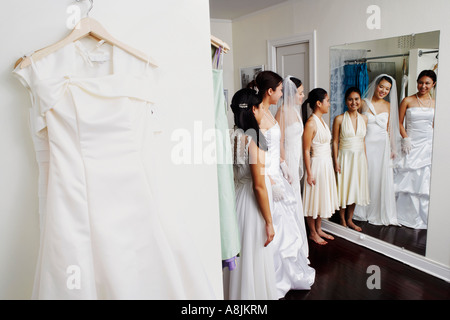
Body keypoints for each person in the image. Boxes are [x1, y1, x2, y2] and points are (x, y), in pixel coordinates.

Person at [248, 71, 315, 298]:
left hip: (277, 171)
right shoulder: (256, 115)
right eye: (278, 90)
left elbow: (276, 146)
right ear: (270, 92)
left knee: (288, 225)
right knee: (273, 226)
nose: (281, 94)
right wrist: (270, 177)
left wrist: (284, 165)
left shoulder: (270, 113)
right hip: (266, 177)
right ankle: (272, 277)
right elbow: (255, 152)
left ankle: (286, 273)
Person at [226, 88, 277, 300]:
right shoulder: (252, 140)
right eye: (260, 108)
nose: (262, 112)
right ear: (253, 109)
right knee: (254, 257)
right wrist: (269, 221)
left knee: (242, 258)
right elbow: (258, 185)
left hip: (237, 201)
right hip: (252, 204)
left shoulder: (231, 135)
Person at [354, 74, 400, 226]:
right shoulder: (363, 103)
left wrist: (393, 148)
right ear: (375, 85)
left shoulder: (388, 106)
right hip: (366, 144)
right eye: (381, 87)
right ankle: (362, 210)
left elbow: (391, 129)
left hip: (382, 146)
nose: (383, 91)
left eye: (387, 89)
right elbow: (356, 125)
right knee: (367, 175)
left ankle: (378, 211)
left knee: (380, 177)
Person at [394, 70, 437, 229]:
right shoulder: (407, 100)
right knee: (408, 179)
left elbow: (434, 125)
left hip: (428, 144)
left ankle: (423, 217)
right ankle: (404, 215)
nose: (423, 86)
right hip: (410, 143)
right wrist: (406, 138)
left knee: (424, 180)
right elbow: (398, 123)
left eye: (427, 83)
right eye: (420, 82)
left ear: (433, 84)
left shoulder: (435, 103)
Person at [303, 88, 339, 245]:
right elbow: (305, 150)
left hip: (326, 164)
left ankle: (319, 229)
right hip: (316, 164)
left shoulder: (322, 120)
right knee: (313, 200)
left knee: (321, 198)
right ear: (319, 103)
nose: (329, 104)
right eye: (328, 101)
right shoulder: (311, 123)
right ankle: (312, 232)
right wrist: (309, 173)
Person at [332, 87, 370, 232]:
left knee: (355, 187)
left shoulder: (364, 119)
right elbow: (335, 141)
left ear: (360, 101)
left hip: (359, 158)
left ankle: (350, 219)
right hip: (345, 157)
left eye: (356, 99)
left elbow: (363, 141)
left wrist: (365, 160)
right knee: (344, 187)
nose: (353, 102)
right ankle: (342, 219)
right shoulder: (339, 119)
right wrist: (335, 161)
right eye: (350, 99)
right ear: (346, 101)